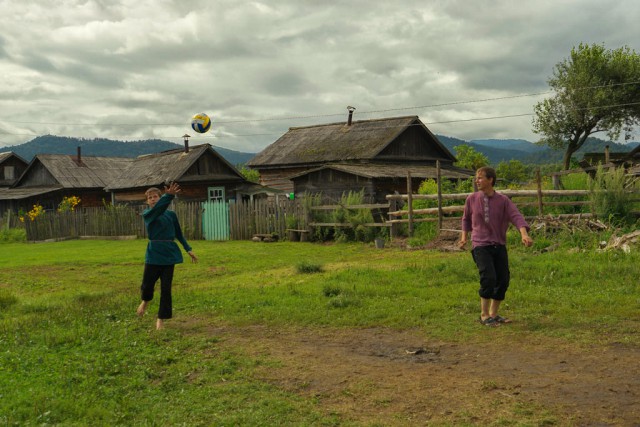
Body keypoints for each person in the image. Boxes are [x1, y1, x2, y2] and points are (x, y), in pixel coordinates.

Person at [458, 167, 533, 327]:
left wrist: (524, 234)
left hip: (498, 244)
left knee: (503, 279)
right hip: (480, 245)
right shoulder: (471, 198)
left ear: (490, 179)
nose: (476, 180)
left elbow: (516, 216)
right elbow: (465, 220)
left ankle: (494, 313)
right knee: (488, 277)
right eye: (476, 178)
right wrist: (464, 238)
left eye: (480, 178)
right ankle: (484, 315)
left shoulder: (503, 200)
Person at [136, 182, 198, 330]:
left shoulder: (171, 215)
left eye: (155, 196)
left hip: (169, 255)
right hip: (153, 254)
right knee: (147, 284)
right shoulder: (148, 214)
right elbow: (158, 210)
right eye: (149, 198)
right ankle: (145, 301)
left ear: (159, 197)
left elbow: (178, 233)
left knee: (166, 289)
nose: (152, 199)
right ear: (147, 201)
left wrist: (188, 249)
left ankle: (160, 319)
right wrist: (168, 196)